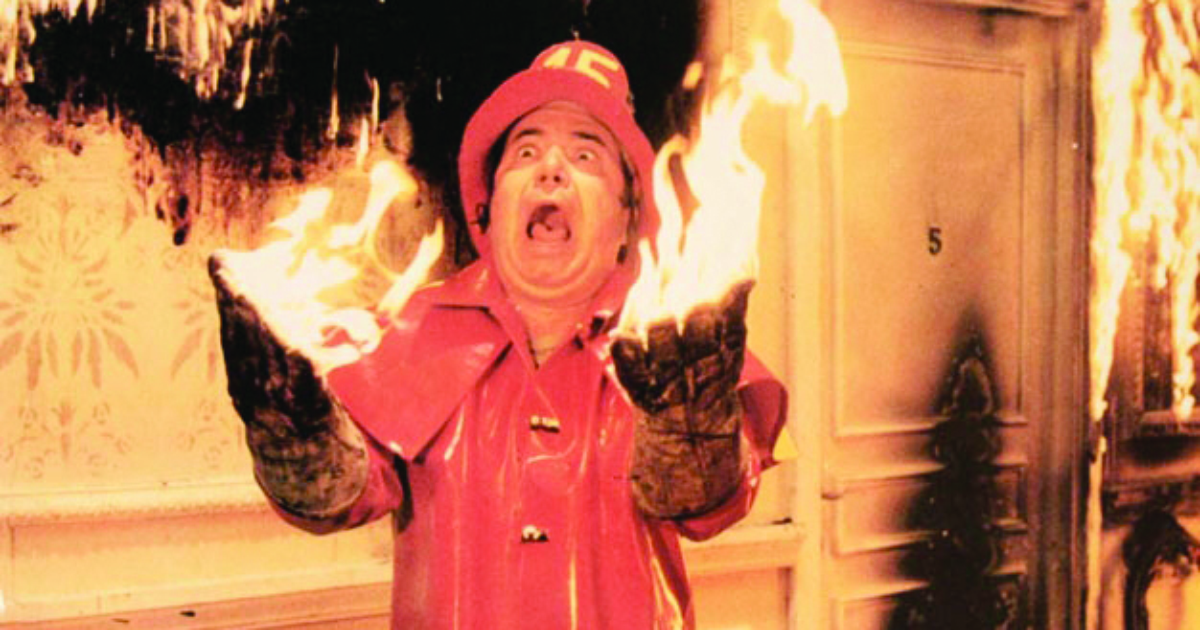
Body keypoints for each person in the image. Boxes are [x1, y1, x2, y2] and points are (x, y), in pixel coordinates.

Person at [215, 40, 787, 629]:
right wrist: (292, 431)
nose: (551, 167)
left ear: (627, 215)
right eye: (526, 151)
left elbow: (707, 506)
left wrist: (692, 426)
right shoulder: (411, 331)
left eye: (586, 155)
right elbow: (340, 496)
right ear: (489, 204)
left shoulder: (675, 342)